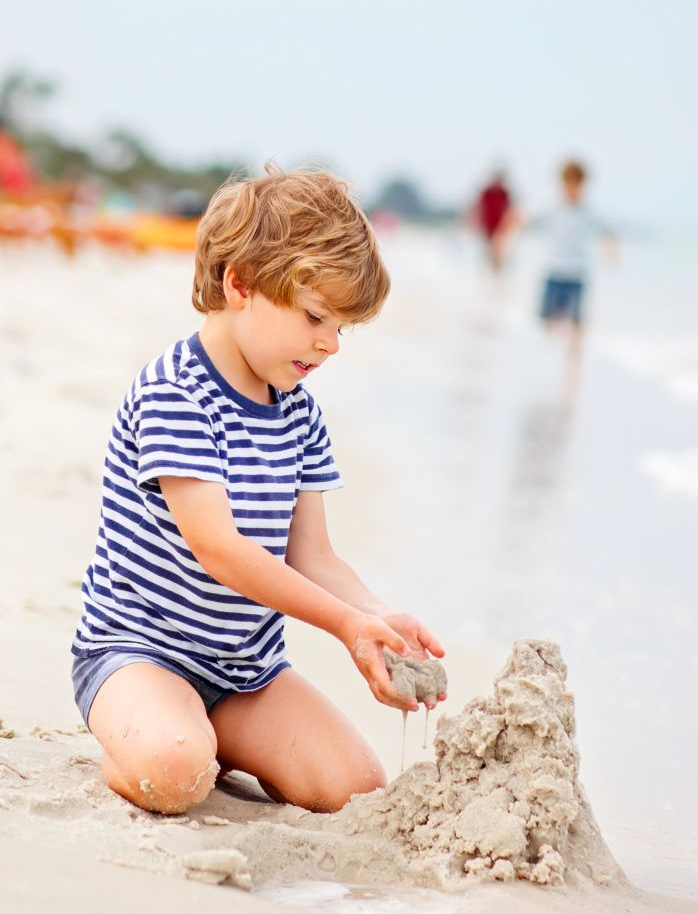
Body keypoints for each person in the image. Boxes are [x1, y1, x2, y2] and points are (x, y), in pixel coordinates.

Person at [71, 165, 446, 815]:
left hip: (245, 673)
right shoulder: (176, 394)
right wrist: (342, 625)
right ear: (239, 283)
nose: (329, 345)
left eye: (342, 328)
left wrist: (376, 618)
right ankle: (147, 739)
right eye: (314, 317)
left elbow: (314, 557)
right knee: (176, 772)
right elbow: (221, 550)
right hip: (140, 652)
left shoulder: (298, 413)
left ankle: (212, 734)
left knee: (356, 789)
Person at [539, 159, 617, 361]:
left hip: (577, 274)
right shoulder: (552, 208)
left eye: (578, 185)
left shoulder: (590, 212)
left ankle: (573, 363)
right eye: (569, 184)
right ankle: (550, 355)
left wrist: (611, 254)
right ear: (562, 184)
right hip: (554, 272)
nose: (573, 189)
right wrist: (502, 238)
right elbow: (520, 218)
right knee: (547, 322)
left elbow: (608, 233)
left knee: (577, 324)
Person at [474, 170, 517, 271]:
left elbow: (510, 211)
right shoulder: (486, 193)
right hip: (488, 228)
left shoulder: (505, 194)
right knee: (489, 255)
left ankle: (498, 276)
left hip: (502, 229)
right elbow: (479, 209)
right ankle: (491, 276)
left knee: (500, 256)